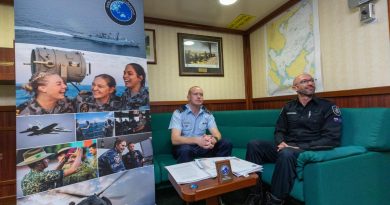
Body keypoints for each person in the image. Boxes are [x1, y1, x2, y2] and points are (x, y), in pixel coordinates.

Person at [245, 73, 342, 205]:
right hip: (287, 147)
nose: (310, 83)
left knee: (286, 153)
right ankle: (255, 194)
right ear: (295, 88)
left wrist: (299, 148)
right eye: (304, 81)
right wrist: (281, 142)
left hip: (308, 149)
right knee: (254, 144)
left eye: (311, 81)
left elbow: (332, 138)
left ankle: (275, 200)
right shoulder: (288, 107)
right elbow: (279, 130)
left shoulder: (327, 107)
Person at [169, 86, 233, 163]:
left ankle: (219, 170)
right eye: (195, 94)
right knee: (185, 149)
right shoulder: (179, 113)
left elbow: (217, 134)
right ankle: (188, 174)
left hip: (202, 147)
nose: (199, 96)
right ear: (188, 97)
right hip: (185, 146)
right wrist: (197, 140)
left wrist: (213, 140)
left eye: (201, 94)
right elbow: (175, 139)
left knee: (226, 143)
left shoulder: (207, 114)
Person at [17, 147, 82, 196]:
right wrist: (79, 154)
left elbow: (52, 173)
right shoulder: (43, 175)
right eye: (45, 158)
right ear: (39, 163)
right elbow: (74, 169)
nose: (48, 160)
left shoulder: (25, 177)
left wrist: (63, 162)